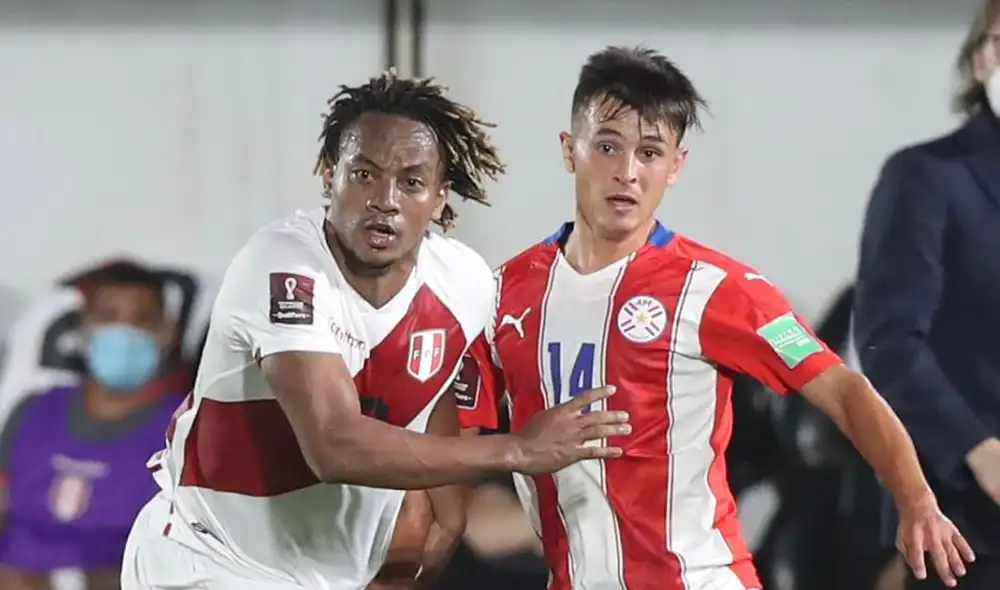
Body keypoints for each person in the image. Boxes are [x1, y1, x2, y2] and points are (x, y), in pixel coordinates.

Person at [456, 45, 974, 590]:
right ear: (570, 151)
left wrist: (916, 499)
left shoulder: (716, 289)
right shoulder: (502, 293)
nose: (628, 172)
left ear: (675, 165)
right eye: (607, 147)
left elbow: (844, 390)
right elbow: (454, 445)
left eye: (650, 152)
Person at [120, 71, 630, 590]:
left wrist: (438, 531)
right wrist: (517, 450)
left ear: (438, 198)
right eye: (364, 175)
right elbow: (333, 444)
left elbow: (442, 439)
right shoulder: (284, 267)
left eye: (411, 182)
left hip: (334, 575)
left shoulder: (464, 284)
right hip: (206, 559)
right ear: (328, 174)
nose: (385, 199)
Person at [854, 1, 1000, 588]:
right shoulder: (926, 176)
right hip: (969, 523)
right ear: (982, 57)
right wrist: (980, 449)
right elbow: (890, 342)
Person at [0, 261, 181, 590]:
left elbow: (180, 562)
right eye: (108, 318)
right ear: (84, 327)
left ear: (166, 333)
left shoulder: (184, 429)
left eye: (141, 321)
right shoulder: (34, 410)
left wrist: (59, 582)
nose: (124, 333)